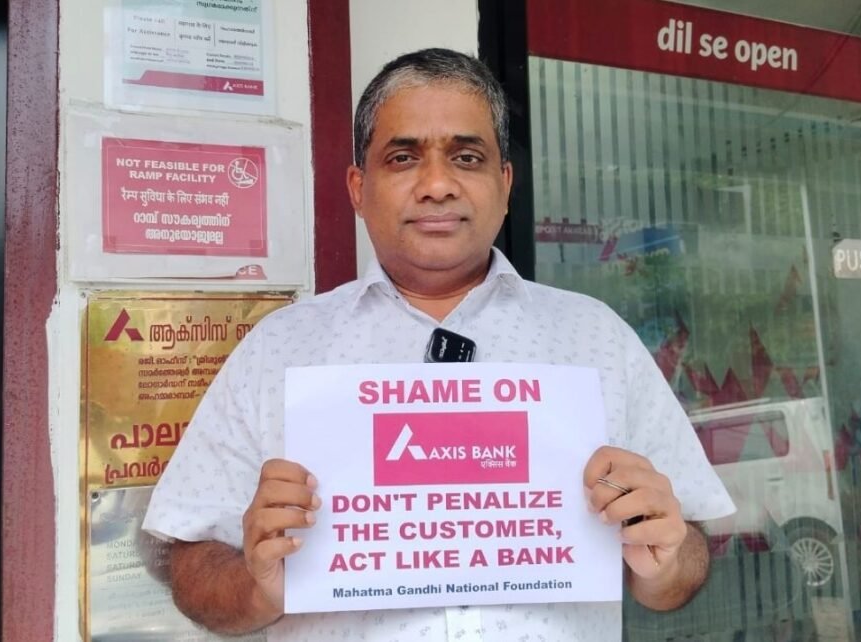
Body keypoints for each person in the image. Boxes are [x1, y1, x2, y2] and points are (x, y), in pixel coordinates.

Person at [142, 47, 734, 641]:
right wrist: (259, 585)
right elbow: (192, 566)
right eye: (403, 157)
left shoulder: (595, 337)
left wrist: (665, 563)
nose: (437, 186)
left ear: (504, 184)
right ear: (358, 187)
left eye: (467, 157)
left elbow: (688, 556)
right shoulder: (279, 349)